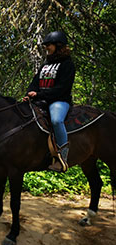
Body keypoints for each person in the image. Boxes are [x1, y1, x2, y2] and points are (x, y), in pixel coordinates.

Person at [23, 31, 75, 172]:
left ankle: (62, 157)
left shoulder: (67, 65)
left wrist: (39, 95)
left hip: (58, 101)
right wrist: (29, 93)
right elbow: (35, 82)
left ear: (58, 46)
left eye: (48, 45)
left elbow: (62, 89)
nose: (46, 47)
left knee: (57, 121)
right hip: (41, 100)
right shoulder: (45, 64)